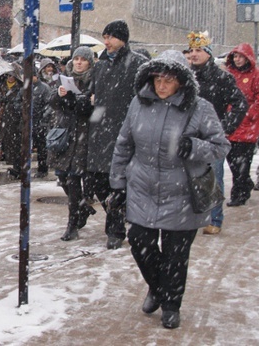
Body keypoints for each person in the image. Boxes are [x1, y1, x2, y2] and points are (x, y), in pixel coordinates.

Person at [110, 50, 229, 330]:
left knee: (176, 254)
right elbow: (124, 144)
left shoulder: (200, 108)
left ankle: (171, 304)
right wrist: (117, 183)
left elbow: (221, 146)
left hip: (182, 192)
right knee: (139, 241)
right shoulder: (138, 105)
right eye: (157, 79)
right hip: (142, 187)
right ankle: (157, 287)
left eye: (169, 80)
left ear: (182, 82)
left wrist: (195, 147)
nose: (161, 85)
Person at [87, 19, 146, 250]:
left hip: (124, 132)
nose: (106, 41)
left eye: (110, 37)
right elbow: (94, 95)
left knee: (118, 184)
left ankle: (115, 229)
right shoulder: (100, 65)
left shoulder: (138, 64)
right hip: (99, 131)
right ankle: (119, 216)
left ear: (123, 38)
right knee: (98, 182)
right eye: (105, 36)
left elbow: (143, 98)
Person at [187, 32, 247, 234]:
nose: (194, 54)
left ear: (208, 53)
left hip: (212, 137)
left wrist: (225, 127)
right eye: (191, 50)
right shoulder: (185, 76)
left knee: (213, 177)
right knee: (187, 177)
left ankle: (214, 218)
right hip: (188, 136)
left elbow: (240, 103)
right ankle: (191, 216)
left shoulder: (222, 77)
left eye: (199, 50)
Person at [49, 46, 96, 241]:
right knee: (62, 177)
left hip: (83, 136)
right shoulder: (64, 78)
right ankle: (82, 207)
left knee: (74, 179)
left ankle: (72, 223)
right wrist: (60, 95)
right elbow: (51, 101)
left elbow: (87, 109)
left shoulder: (94, 81)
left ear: (89, 62)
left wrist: (78, 100)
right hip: (64, 135)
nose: (78, 62)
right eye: (76, 58)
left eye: (82, 59)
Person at [224, 43, 259, 206]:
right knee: (232, 159)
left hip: (248, 126)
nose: (237, 60)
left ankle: (239, 194)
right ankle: (245, 184)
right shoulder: (230, 74)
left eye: (240, 56)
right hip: (231, 123)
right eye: (235, 56)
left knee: (242, 161)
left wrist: (248, 114)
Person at [32, 63, 54, 178]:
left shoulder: (44, 88)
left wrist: (43, 117)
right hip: (30, 122)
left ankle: (43, 168)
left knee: (42, 147)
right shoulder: (25, 88)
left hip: (41, 123)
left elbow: (49, 105)